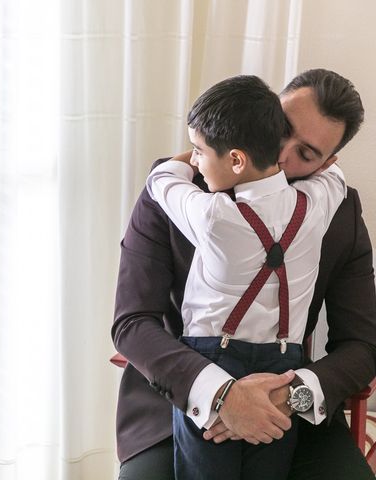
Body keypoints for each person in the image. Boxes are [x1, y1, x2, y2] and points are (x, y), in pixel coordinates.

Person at [112, 68, 376, 480]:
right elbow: (131, 323)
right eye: (281, 127)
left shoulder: (337, 210)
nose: (281, 154)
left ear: (328, 165)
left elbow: (363, 345)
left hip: (288, 396)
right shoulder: (176, 191)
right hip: (177, 393)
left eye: (306, 154)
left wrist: (289, 397)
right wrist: (221, 395)